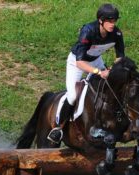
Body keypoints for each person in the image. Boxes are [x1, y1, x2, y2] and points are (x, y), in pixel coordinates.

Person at [47, 3, 125, 143]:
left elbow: (120, 57)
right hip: (76, 63)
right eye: (109, 21)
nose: (113, 24)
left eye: (114, 21)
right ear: (101, 20)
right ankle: (58, 128)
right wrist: (99, 72)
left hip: (96, 60)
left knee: (109, 90)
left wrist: (112, 69)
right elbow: (80, 62)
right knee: (72, 95)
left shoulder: (117, 34)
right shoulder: (88, 31)